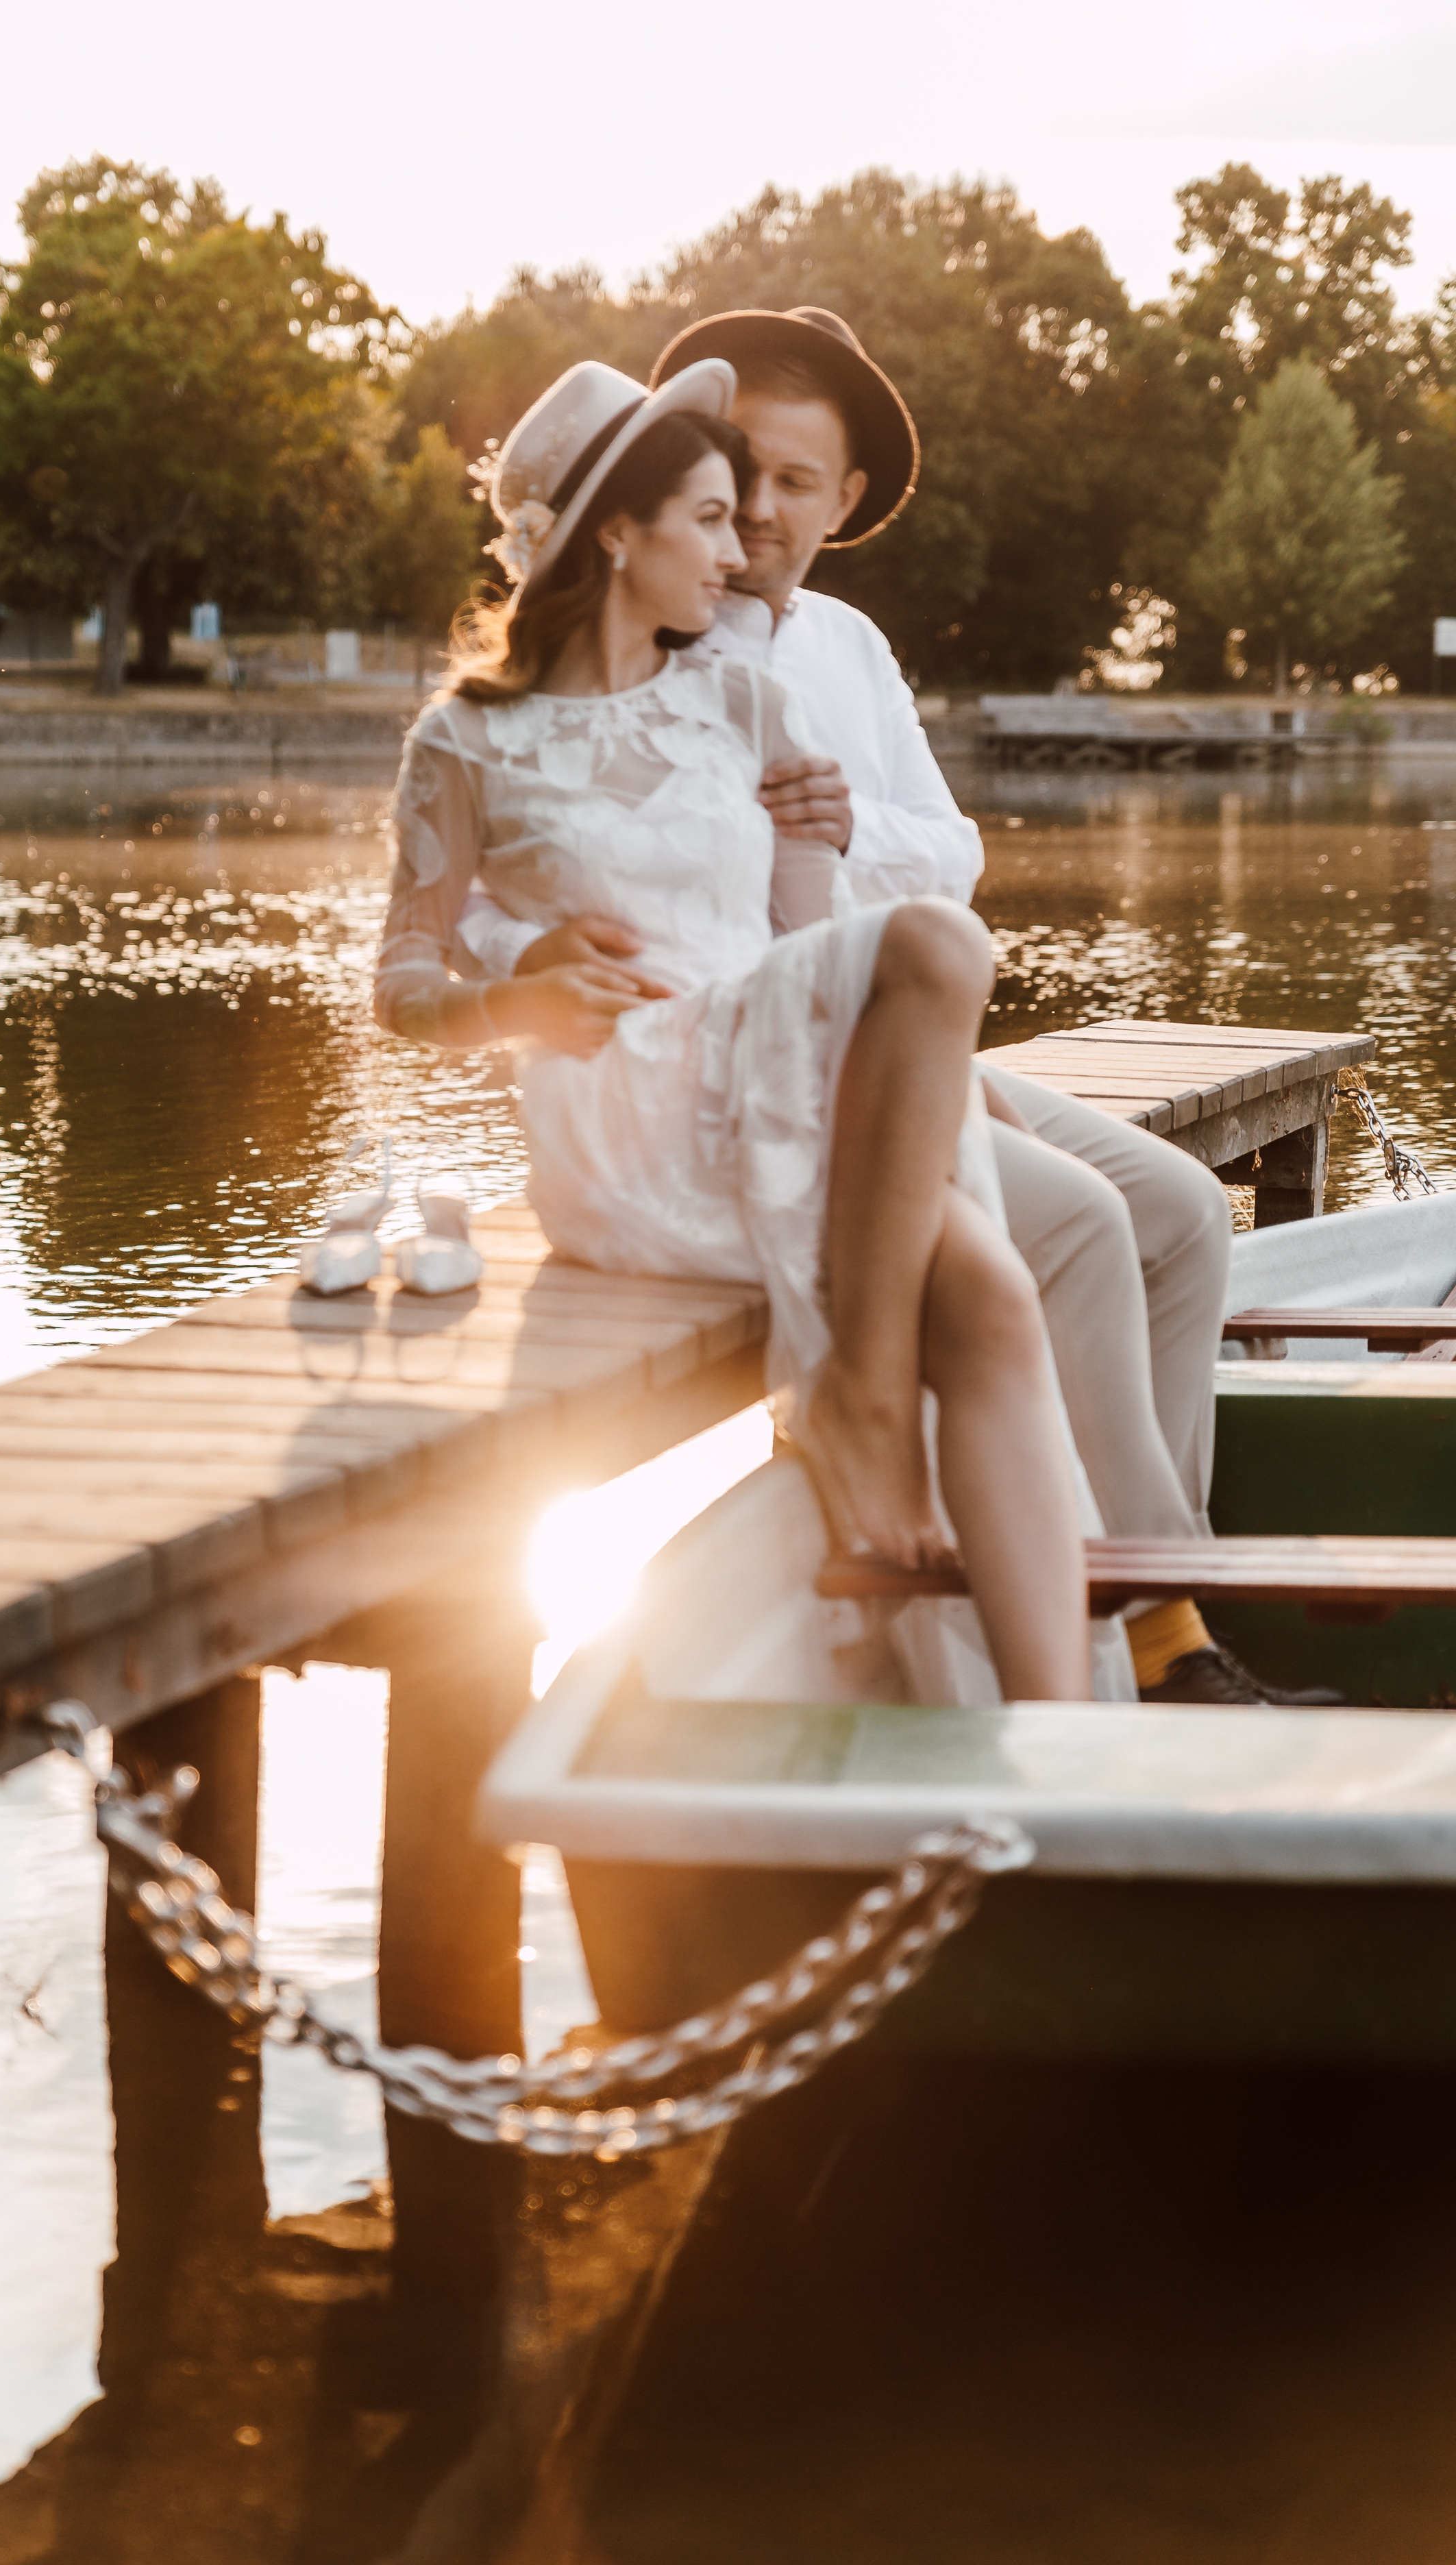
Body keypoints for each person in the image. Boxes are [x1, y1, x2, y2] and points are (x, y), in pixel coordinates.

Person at [460, 308, 1331, 1709]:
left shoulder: (842, 649)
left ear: (841, 502)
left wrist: (824, 847)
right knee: (1073, 1235)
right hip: (790, 1063)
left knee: (1171, 1213)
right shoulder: (650, 655)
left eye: (791, 483)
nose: (750, 509)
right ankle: (1153, 1642)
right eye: (729, 473)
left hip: (884, 1029)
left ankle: (1156, 1620)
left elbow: (941, 857)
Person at [375, 355, 1095, 1702]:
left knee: (994, 1303)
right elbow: (401, 984)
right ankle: (859, 1404)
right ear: (614, 533)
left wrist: (821, 850)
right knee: (940, 945)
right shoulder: (464, 743)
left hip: (771, 1079)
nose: (741, 545)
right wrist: (514, 995)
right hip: (629, 1116)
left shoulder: (750, 704)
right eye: (706, 517)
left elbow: (800, 948)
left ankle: (1063, 1742)